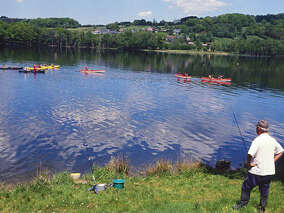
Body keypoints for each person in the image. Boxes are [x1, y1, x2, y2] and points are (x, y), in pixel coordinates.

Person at [233, 120, 283, 212]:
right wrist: (273, 161)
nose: (256, 129)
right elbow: (281, 151)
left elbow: (249, 154)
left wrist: (249, 164)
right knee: (264, 189)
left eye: (256, 127)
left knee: (246, 186)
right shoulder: (272, 140)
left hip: (257, 171)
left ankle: (243, 204)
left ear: (259, 129)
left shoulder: (257, 140)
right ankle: (262, 208)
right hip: (269, 172)